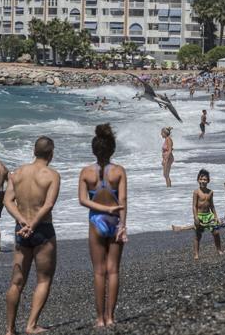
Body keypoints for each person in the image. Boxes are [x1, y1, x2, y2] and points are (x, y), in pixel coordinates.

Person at [4, 137, 61, 335]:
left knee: (16, 282)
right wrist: (33, 225)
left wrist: (22, 221)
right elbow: (48, 205)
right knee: (43, 279)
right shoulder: (52, 175)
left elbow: (8, 201)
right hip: (42, 229)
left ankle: (10, 330)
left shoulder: (17, 173)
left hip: (20, 231)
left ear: (34, 151)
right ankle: (31, 325)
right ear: (51, 153)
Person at [78, 124, 127, 327]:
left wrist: (101, 209)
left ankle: (99, 319)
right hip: (115, 221)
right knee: (113, 270)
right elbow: (123, 200)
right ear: (112, 149)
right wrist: (122, 225)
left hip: (96, 221)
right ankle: (111, 317)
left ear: (93, 150)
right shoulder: (118, 171)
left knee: (99, 271)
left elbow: (82, 200)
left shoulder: (86, 173)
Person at [192, 169, 223, 259]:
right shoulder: (196, 192)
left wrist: (216, 217)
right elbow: (194, 206)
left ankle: (219, 250)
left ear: (208, 181)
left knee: (216, 233)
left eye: (205, 180)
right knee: (198, 235)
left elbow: (212, 206)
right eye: (201, 179)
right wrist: (195, 217)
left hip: (209, 215)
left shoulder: (210, 192)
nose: (203, 181)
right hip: (200, 215)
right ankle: (196, 254)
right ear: (198, 180)